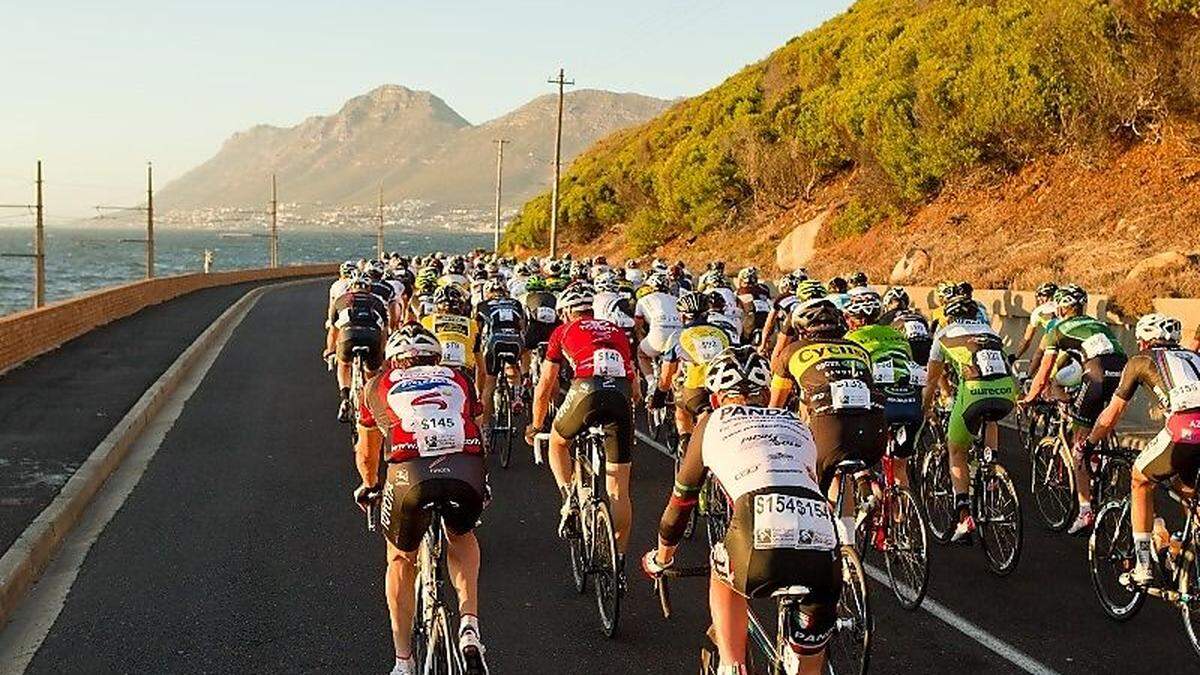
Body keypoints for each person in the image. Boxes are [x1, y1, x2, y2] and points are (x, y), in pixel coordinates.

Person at [643, 346, 839, 675]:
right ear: (766, 394)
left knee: (722, 570)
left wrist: (661, 558)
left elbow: (680, 505)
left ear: (717, 398)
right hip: (821, 544)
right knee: (808, 662)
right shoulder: (796, 423)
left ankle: (731, 665)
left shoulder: (711, 422)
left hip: (755, 539)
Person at [354, 324, 490, 675]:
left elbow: (368, 454)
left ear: (392, 360)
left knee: (400, 557)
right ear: (436, 357)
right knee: (461, 535)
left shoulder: (375, 386)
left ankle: (403, 661)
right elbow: (474, 424)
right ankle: (470, 626)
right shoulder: (459, 377)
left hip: (409, 475)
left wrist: (369, 485)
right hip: (465, 465)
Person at [526, 285, 641, 565]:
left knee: (557, 441)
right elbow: (635, 383)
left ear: (566, 312)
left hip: (586, 390)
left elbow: (545, 385)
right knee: (619, 490)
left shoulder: (562, 331)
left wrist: (535, 425)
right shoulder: (616, 331)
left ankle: (569, 498)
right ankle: (620, 561)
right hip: (621, 394)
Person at [1084, 314, 1200, 586]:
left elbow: (1110, 416)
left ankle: (1143, 566)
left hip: (1185, 427)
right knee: (1186, 490)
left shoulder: (1140, 360)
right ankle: (1178, 543)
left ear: (1145, 340)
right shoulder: (1194, 357)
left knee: (1140, 478)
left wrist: (1088, 445)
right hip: (1189, 430)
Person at [769, 299, 886, 542]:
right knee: (841, 470)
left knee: (812, 490)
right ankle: (849, 544)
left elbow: (775, 408)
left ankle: (820, 543)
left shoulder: (791, 351)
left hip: (829, 433)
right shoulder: (859, 350)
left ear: (801, 329)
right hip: (874, 434)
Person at [1020, 283, 1126, 533]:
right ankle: (1102, 455)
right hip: (1122, 370)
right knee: (1100, 416)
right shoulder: (1099, 324)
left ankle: (1085, 511)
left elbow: (1045, 372)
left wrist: (1030, 397)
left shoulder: (1056, 329)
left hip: (1096, 372)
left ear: (1060, 307)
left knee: (1079, 443)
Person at [925, 294, 1017, 543]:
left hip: (973, 392)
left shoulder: (944, 334)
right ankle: (991, 468)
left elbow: (931, 379)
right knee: (991, 417)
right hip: (1007, 393)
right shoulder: (990, 332)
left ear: (950, 316)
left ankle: (964, 515)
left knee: (957, 451)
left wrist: (924, 410)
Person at [844, 290, 922, 488]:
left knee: (856, 452)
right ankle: (901, 515)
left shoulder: (850, 338)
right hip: (910, 402)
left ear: (853, 320)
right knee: (899, 469)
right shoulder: (898, 335)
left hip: (879, 404)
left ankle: (871, 491)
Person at [650, 291, 731, 454]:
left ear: (682, 316)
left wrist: (658, 398)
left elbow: (666, 378)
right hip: (723, 389)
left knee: (682, 411)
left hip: (696, 390)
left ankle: (686, 446)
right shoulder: (722, 332)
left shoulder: (678, 336)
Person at [325, 273, 388, 422]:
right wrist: (381, 351)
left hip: (349, 336)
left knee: (344, 364)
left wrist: (330, 349)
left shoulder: (341, 300)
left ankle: (345, 398)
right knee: (371, 374)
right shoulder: (377, 301)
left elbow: (333, 331)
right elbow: (384, 331)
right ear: (369, 288)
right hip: (372, 337)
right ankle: (371, 403)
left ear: (351, 287)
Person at [475, 279, 527, 425]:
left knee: (489, 383)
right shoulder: (515, 303)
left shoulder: (482, 305)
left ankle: (484, 428)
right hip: (515, 340)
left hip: (495, 342)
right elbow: (522, 326)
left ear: (487, 293)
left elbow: (476, 332)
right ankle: (517, 397)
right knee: (514, 368)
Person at [421, 285, 482, 386]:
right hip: (464, 372)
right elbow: (481, 369)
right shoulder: (472, 324)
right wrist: (479, 396)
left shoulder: (426, 321)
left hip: (436, 371)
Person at [634, 272, 683, 387]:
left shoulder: (643, 300)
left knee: (641, 353)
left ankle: (651, 382)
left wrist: (641, 340)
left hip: (659, 333)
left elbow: (638, 326)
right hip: (678, 333)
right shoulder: (675, 299)